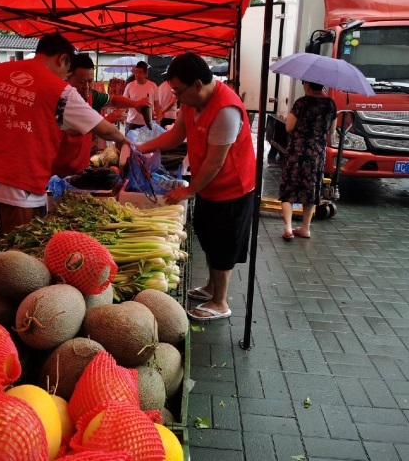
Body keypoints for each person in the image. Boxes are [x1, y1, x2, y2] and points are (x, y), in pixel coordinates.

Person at [0, 33, 131, 254]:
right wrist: (125, 141)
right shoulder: (60, 91)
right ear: (62, 59)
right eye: (67, 70)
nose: (65, 76)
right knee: (17, 254)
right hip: (20, 182)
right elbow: (103, 127)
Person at [137, 52, 256, 321]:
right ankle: (211, 288)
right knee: (207, 233)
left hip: (232, 187)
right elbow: (175, 136)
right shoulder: (191, 102)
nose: (176, 97)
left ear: (197, 85)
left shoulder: (226, 110)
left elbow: (215, 162)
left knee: (223, 243)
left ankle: (220, 302)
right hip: (208, 184)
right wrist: (139, 148)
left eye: (178, 91)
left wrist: (189, 190)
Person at [52, 53, 150, 176]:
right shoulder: (62, 99)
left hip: (81, 167)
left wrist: (135, 104)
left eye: (90, 81)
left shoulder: (91, 95)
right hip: (58, 170)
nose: (86, 87)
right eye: (82, 82)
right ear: (69, 77)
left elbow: (114, 100)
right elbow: (72, 130)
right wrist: (106, 121)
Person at [279, 81, 337, 241]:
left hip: (298, 152)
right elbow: (332, 130)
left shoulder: (301, 102)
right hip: (317, 154)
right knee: (311, 189)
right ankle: (305, 228)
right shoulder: (330, 104)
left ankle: (288, 228)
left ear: (308, 86)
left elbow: (289, 127)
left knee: (289, 188)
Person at [123, 61, 161, 131]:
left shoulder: (153, 86)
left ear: (146, 74)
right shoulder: (129, 86)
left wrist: (158, 119)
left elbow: (157, 104)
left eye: (140, 72)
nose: (137, 74)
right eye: (136, 72)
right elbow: (124, 102)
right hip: (132, 122)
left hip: (147, 123)